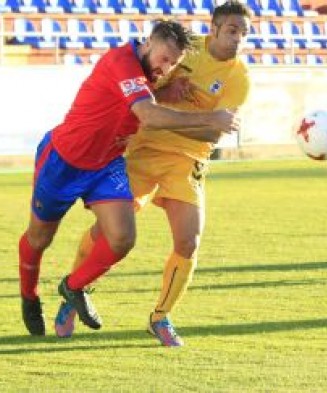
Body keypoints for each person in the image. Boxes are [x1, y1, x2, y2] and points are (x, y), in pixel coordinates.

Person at [20, 19, 241, 336]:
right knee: (39, 238)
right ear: (148, 42)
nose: (165, 68)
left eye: (173, 64)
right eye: (164, 59)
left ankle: (73, 286)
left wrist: (165, 90)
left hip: (106, 164)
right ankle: (29, 296)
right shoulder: (120, 60)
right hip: (64, 160)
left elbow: (140, 97)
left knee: (123, 238)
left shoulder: (148, 73)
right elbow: (147, 113)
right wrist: (212, 117)